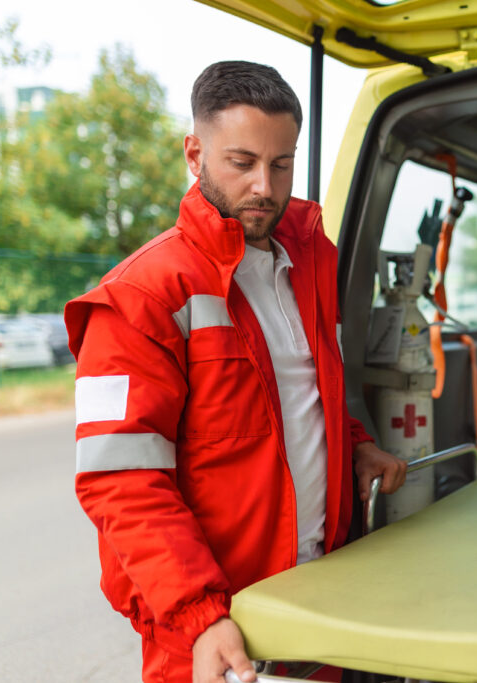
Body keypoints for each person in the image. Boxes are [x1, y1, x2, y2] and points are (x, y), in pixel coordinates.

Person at [65, 61, 407, 683]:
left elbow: (307, 398)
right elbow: (121, 478)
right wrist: (201, 614)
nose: (264, 187)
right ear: (195, 154)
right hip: (218, 626)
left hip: (320, 597)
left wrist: (355, 445)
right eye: (242, 162)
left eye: (282, 164)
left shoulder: (311, 264)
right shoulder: (140, 297)